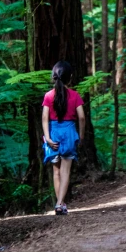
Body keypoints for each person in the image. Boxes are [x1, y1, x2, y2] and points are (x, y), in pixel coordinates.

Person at [42, 60, 85, 215]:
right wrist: (81, 135)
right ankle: (60, 204)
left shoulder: (48, 96)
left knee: (56, 171)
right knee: (66, 171)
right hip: (68, 133)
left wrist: (47, 137)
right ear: (70, 77)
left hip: (53, 133)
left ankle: (60, 203)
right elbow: (81, 117)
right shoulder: (74, 96)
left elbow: (45, 117)